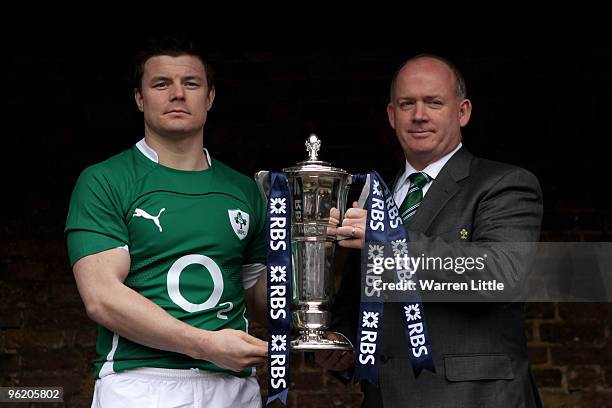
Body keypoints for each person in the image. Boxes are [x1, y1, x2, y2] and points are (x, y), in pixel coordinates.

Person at [316, 54, 543, 407]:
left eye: (434, 103)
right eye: (407, 104)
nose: (419, 115)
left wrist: (390, 239)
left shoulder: (505, 184)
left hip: (475, 399)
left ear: (463, 112)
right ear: (392, 116)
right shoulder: (372, 195)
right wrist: (342, 340)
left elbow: (501, 275)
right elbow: (358, 297)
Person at [65, 36, 268, 408]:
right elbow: (102, 299)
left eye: (191, 84)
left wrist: (313, 248)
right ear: (139, 99)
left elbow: (261, 299)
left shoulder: (244, 189)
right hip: (139, 382)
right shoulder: (105, 180)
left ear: (209, 97)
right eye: (162, 84)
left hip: (231, 384)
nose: (178, 94)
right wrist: (204, 345)